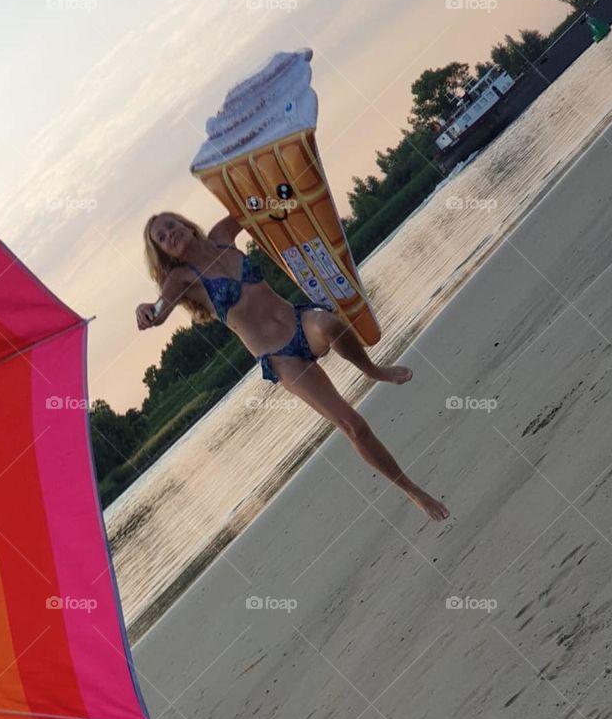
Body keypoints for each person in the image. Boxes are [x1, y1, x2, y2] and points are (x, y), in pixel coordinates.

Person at [136, 211, 449, 521]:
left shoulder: (221, 236)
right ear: (163, 253)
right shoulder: (181, 279)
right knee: (354, 426)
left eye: (170, 226)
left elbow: (251, 205)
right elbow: (160, 309)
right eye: (161, 238)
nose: (169, 235)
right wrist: (146, 310)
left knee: (328, 323)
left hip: (299, 322)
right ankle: (414, 493)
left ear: (186, 224)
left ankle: (373, 371)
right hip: (282, 358)